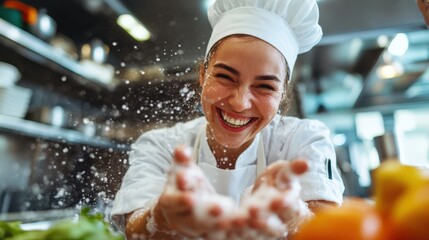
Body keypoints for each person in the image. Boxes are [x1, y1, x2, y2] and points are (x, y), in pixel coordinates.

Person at [110, 0, 345, 239]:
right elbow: (135, 227)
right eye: (225, 77)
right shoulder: (161, 145)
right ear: (203, 74)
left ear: (282, 95)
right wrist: (161, 217)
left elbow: (327, 228)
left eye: (264, 86)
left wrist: (296, 217)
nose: (240, 103)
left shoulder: (304, 140)